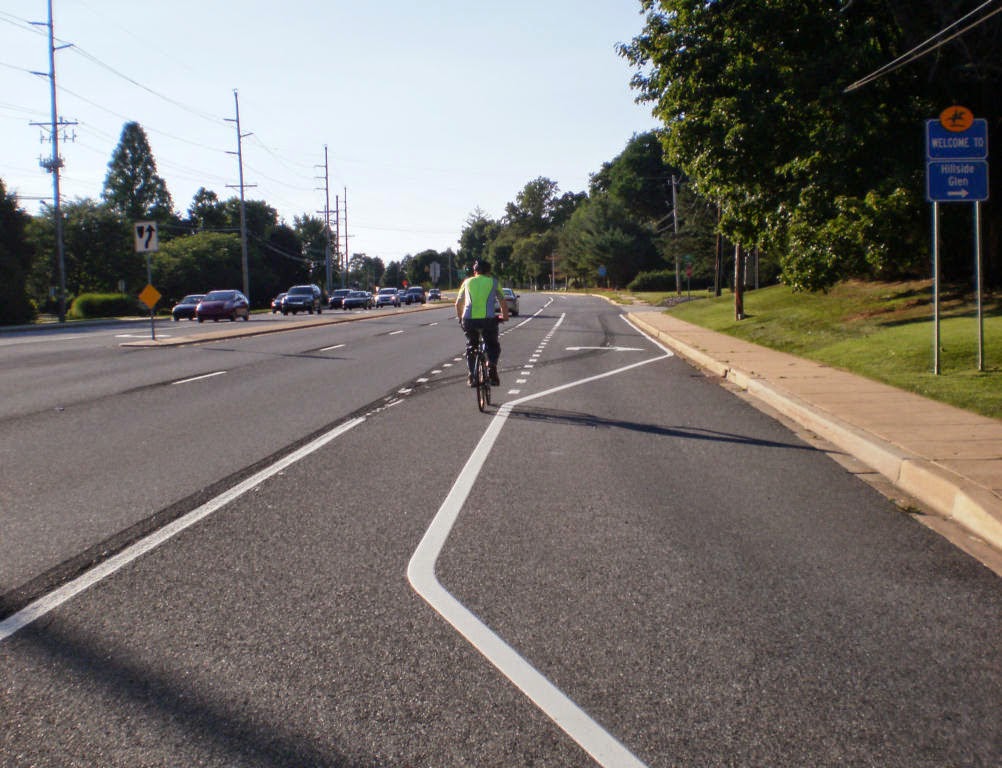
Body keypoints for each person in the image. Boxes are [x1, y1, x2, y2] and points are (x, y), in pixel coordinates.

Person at [455, 259, 509, 387]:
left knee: (471, 346)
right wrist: (505, 317)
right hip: (488, 320)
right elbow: (503, 302)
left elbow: (458, 304)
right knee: (493, 345)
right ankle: (491, 367)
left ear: (475, 271)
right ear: (488, 271)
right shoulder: (493, 282)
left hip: (468, 320)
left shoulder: (467, 282)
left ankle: (472, 376)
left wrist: (460, 318)